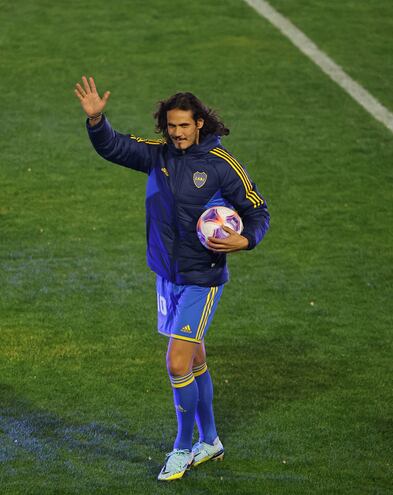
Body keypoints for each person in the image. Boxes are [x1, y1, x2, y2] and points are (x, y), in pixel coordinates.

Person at [74, 76, 270, 481]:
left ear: (200, 123)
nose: (178, 133)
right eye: (172, 126)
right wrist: (97, 121)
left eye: (185, 125)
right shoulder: (158, 155)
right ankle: (211, 440)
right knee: (195, 358)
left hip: (202, 277)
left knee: (176, 360)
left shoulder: (221, 166)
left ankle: (183, 446)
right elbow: (115, 146)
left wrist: (246, 239)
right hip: (167, 275)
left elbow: (258, 210)